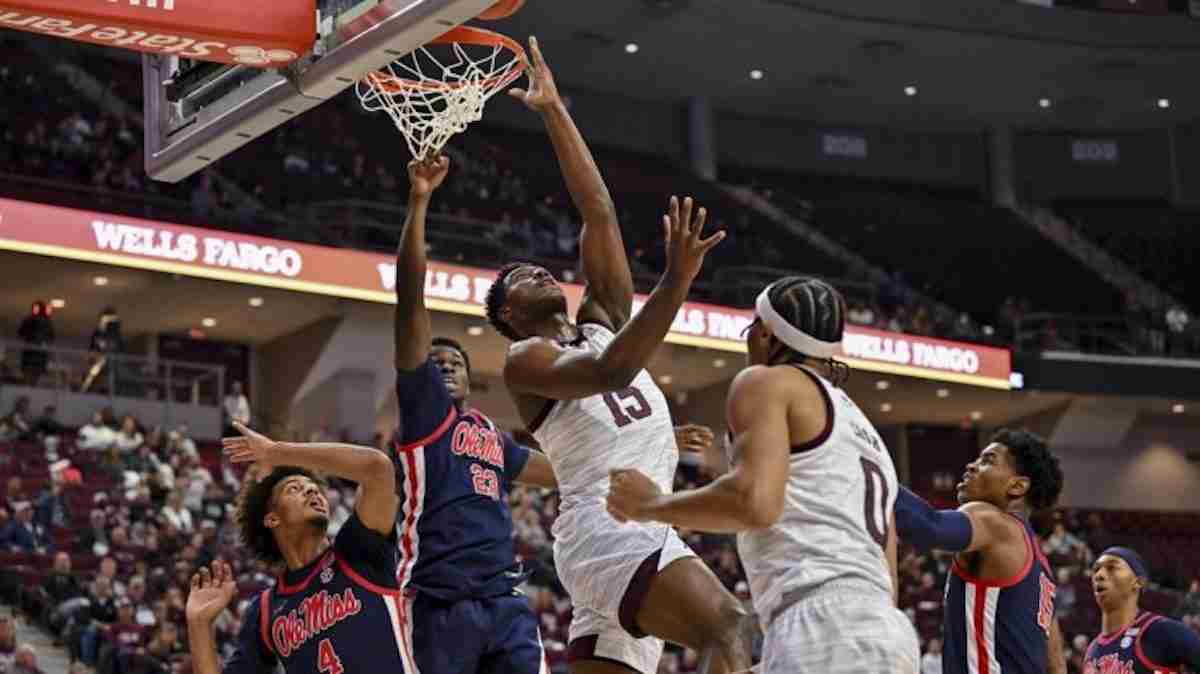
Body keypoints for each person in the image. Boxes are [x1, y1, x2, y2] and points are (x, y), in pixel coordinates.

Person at [486, 37, 746, 674]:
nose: (539, 271)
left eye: (539, 266)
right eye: (520, 276)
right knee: (730, 628)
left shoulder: (599, 320)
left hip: (631, 528)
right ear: (509, 315)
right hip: (612, 532)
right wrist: (676, 281)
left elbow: (597, 210)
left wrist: (552, 109)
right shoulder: (525, 360)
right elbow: (613, 372)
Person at [606, 277, 919, 673]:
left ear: (766, 334)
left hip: (823, 623)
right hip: (887, 633)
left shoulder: (766, 382)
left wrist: (651, 504)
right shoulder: (865, 432)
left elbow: (753, 502)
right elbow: (887, 576)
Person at [392, 154, 558, 673]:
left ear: (469, 378)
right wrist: (419, 202)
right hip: (440, 597)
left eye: (455, 362)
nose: (444, 366)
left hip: (504, 598)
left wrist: (653, 450)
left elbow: (560, 472)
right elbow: (410, 298)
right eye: (435, 360)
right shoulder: (425, 412)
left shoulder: (487, 432)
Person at [185, 422, 406, 674]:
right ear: (272, 518)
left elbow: (378, 469)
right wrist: (199, 625)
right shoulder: (267, 610)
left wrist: (275, 451)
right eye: (295, 488)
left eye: (313, 487)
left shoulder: (357, 549)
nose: (312, 489)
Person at [894, 429, 1068, 674]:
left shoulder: (995, 522)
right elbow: (1057, 665)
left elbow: (928, 526)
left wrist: (874, 469)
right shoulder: (1043, 570)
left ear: (1017, 486)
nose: (971, 466)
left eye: (987, 461)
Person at [1082, 547, 1200, 673]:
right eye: (1096, 569)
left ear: (1138, 582)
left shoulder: (1160, 631)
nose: (1099, 575)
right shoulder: (1092, 650)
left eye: (1112, 568)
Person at [17, 301, 54, 386]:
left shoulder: (30, 319)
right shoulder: (47, 322)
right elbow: (51, 337)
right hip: (39, 352)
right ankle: (31, 385)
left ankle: (29, 386)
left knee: (29, 373)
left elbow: (21, 332)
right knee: (34, 374)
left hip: (31, 352)